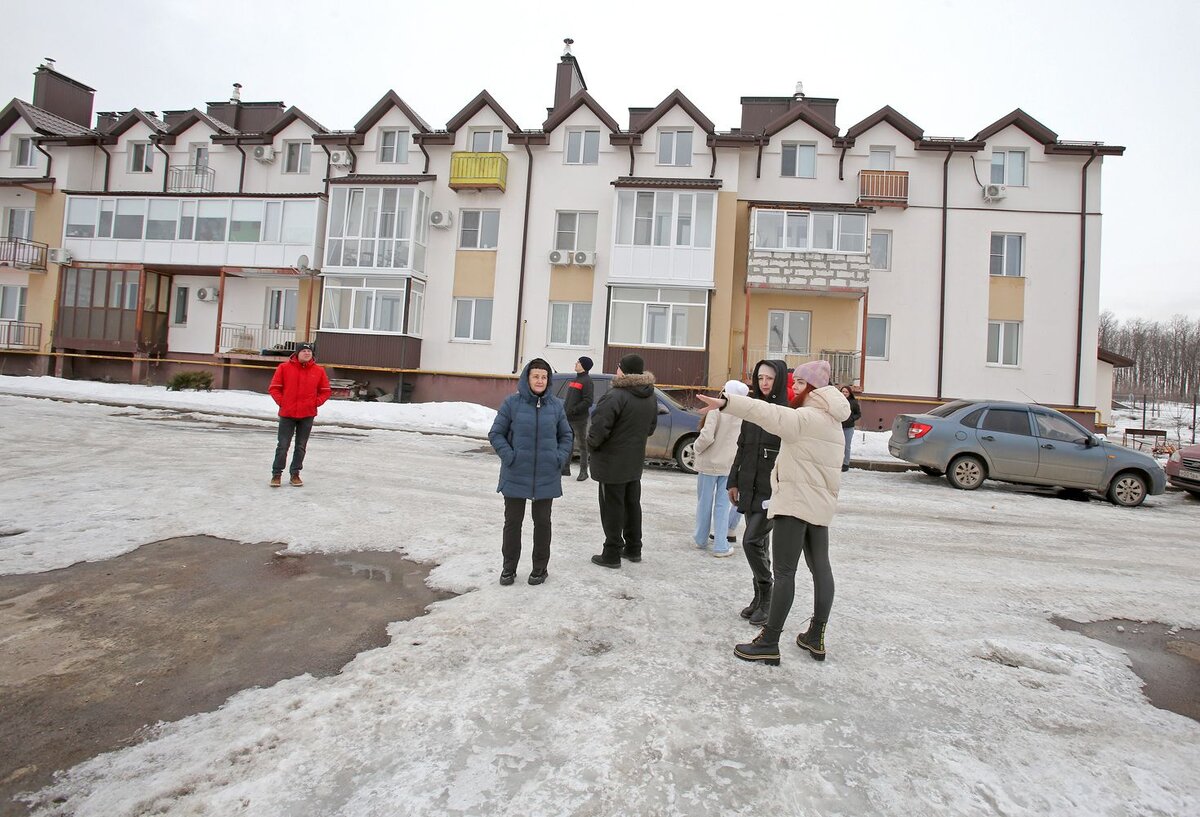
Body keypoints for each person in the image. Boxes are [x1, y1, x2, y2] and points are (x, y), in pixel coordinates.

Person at [697, 359, 850, 667]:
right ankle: (815, 636)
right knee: (821, 568)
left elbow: (765, 412)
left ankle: (769, 641)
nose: (792, 388)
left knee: (784, 572)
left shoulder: (805, 417)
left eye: (797, 383)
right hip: (819, 506)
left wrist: (727, 403)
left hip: (794, 504)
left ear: (810, 387)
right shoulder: (834, 421)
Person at [488, 358, 573, 586]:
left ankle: (539, 568)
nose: (540, 380)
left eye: (544, 377)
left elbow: (566, 435)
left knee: (543, 523)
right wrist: (510, 456)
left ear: (549, 380)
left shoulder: (556, 406)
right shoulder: (511, 404)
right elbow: (496, 434)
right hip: (516, 472)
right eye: (535, 376)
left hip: (546, 474)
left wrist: (558, 457)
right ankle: (509, 568)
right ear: (527, 378)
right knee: (513, 523)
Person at [726, 359, 788, 625]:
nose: (764, 383)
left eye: (770, 378)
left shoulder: (786, 412)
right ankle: (759, 598)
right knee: (759, 543)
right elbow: (741, 447)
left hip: (772, 492)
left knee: (751, 541)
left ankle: (768, 593)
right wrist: (733, 481)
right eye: (760, 377)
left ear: (780, 380)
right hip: (749, 486)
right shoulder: (752, 409)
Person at [587, 353, 657, 568]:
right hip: (634, 461)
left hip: (611, 463)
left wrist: (590, 445)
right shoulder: (650, 395)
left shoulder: (615, 395)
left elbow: (599, 429)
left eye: (618, 367)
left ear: (623, 370)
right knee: (632, 504)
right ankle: (634, 548)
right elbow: (651, 428)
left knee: (612, 507)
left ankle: (611, 553)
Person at [693, 379, 749, 557]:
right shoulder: (744, 414)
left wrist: (696, 447)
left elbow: (707, 436)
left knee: (704, 502)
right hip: (730, 466)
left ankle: (701, 539)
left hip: (709, 464)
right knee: (723, 506)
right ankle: (720, 544)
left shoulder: (716, 411)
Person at [268, 341, 331, 488]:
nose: (307, 353)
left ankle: (295, 474)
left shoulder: (319, 371)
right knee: (283, 445)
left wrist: (315, 402)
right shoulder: (284, 368)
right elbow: (274, 388)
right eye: (304, 351)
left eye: (309, 351)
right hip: (287, 414)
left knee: (301, 446)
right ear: (297, 353)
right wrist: (283, 402)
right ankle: (276, 474)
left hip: (307, 414)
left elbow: (326, 391)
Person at [561, 356, 595, 481]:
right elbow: (569, 399)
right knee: (568, 443)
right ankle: (565, 469)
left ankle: (584, 472)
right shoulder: (575, 379)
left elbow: (588, 401)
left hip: (579, 419)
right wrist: (565, 411)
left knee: (582, 446)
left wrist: (574, 410)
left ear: (584, 366)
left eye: (579, 362)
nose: (576, 363)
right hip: (568, 417)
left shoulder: (587, 381)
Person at [840, 384, 862, 472]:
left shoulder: (853, 402)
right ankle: (837, 463)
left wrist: (852, 418)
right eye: (843, 391)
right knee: (837, 446)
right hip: (838, 427)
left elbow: (858, 414)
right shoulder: (837, 401)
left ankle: (846, 463)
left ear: (849, 393)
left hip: (848, 428)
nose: (844, 393)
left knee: (846, 446)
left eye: (846, 392)